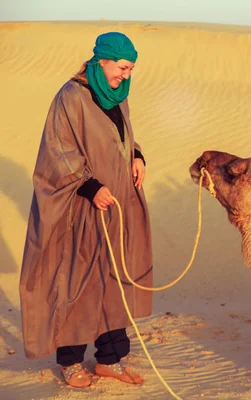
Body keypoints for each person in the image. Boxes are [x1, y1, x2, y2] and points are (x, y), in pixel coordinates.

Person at [19, 32, 153, 388]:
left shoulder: (118, 97)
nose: (125, 75)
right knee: (77, 283)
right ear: (103, 60)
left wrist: (137, 156)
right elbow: (58, 150)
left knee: (113, 281)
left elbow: (121, 136)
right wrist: (91, 186)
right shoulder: (72, 96)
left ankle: (110, 358)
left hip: (116, 204)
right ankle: (71, 362)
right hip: (81, 207)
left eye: (131, 69)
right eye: (123, 68)